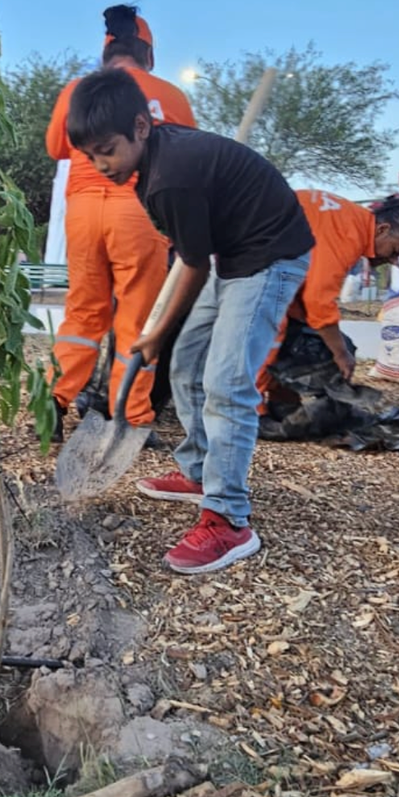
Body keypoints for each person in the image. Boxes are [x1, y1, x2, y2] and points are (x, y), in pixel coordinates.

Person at [66, 66, 313, 574]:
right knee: (185, 364)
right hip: (233, 254)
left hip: (270, 257)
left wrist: (155, 330)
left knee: (226, 384)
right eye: (89, 155)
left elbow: (194, 266)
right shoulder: (149, 168)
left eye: (106, 150)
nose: (99, 164)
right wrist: (162, 336)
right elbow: (190, 254)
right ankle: (202, 472)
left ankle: (229, 519)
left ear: (140, 126)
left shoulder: (170, 175)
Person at [45, 5, 196, 439]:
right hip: (140, 209)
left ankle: (54, 401)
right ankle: (129, 413)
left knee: (82, 310)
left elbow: (57, 146)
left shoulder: (77, 90)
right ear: (148, 54)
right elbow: (186, 154)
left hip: (84, 210)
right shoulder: (171, 95)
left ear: (105, 50)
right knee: (137, 319)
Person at [254, 191, 399, 398]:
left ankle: (276, 397)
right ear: (383, 230)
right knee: (273, 328)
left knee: (301, 332)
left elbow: (304, 292)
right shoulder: (348, 235)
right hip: (248, 259)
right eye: (395, 251)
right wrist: (340, 354)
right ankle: (249, 412)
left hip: (258, 255)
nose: (393, 261)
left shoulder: (348, 218)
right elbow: (318, 301)